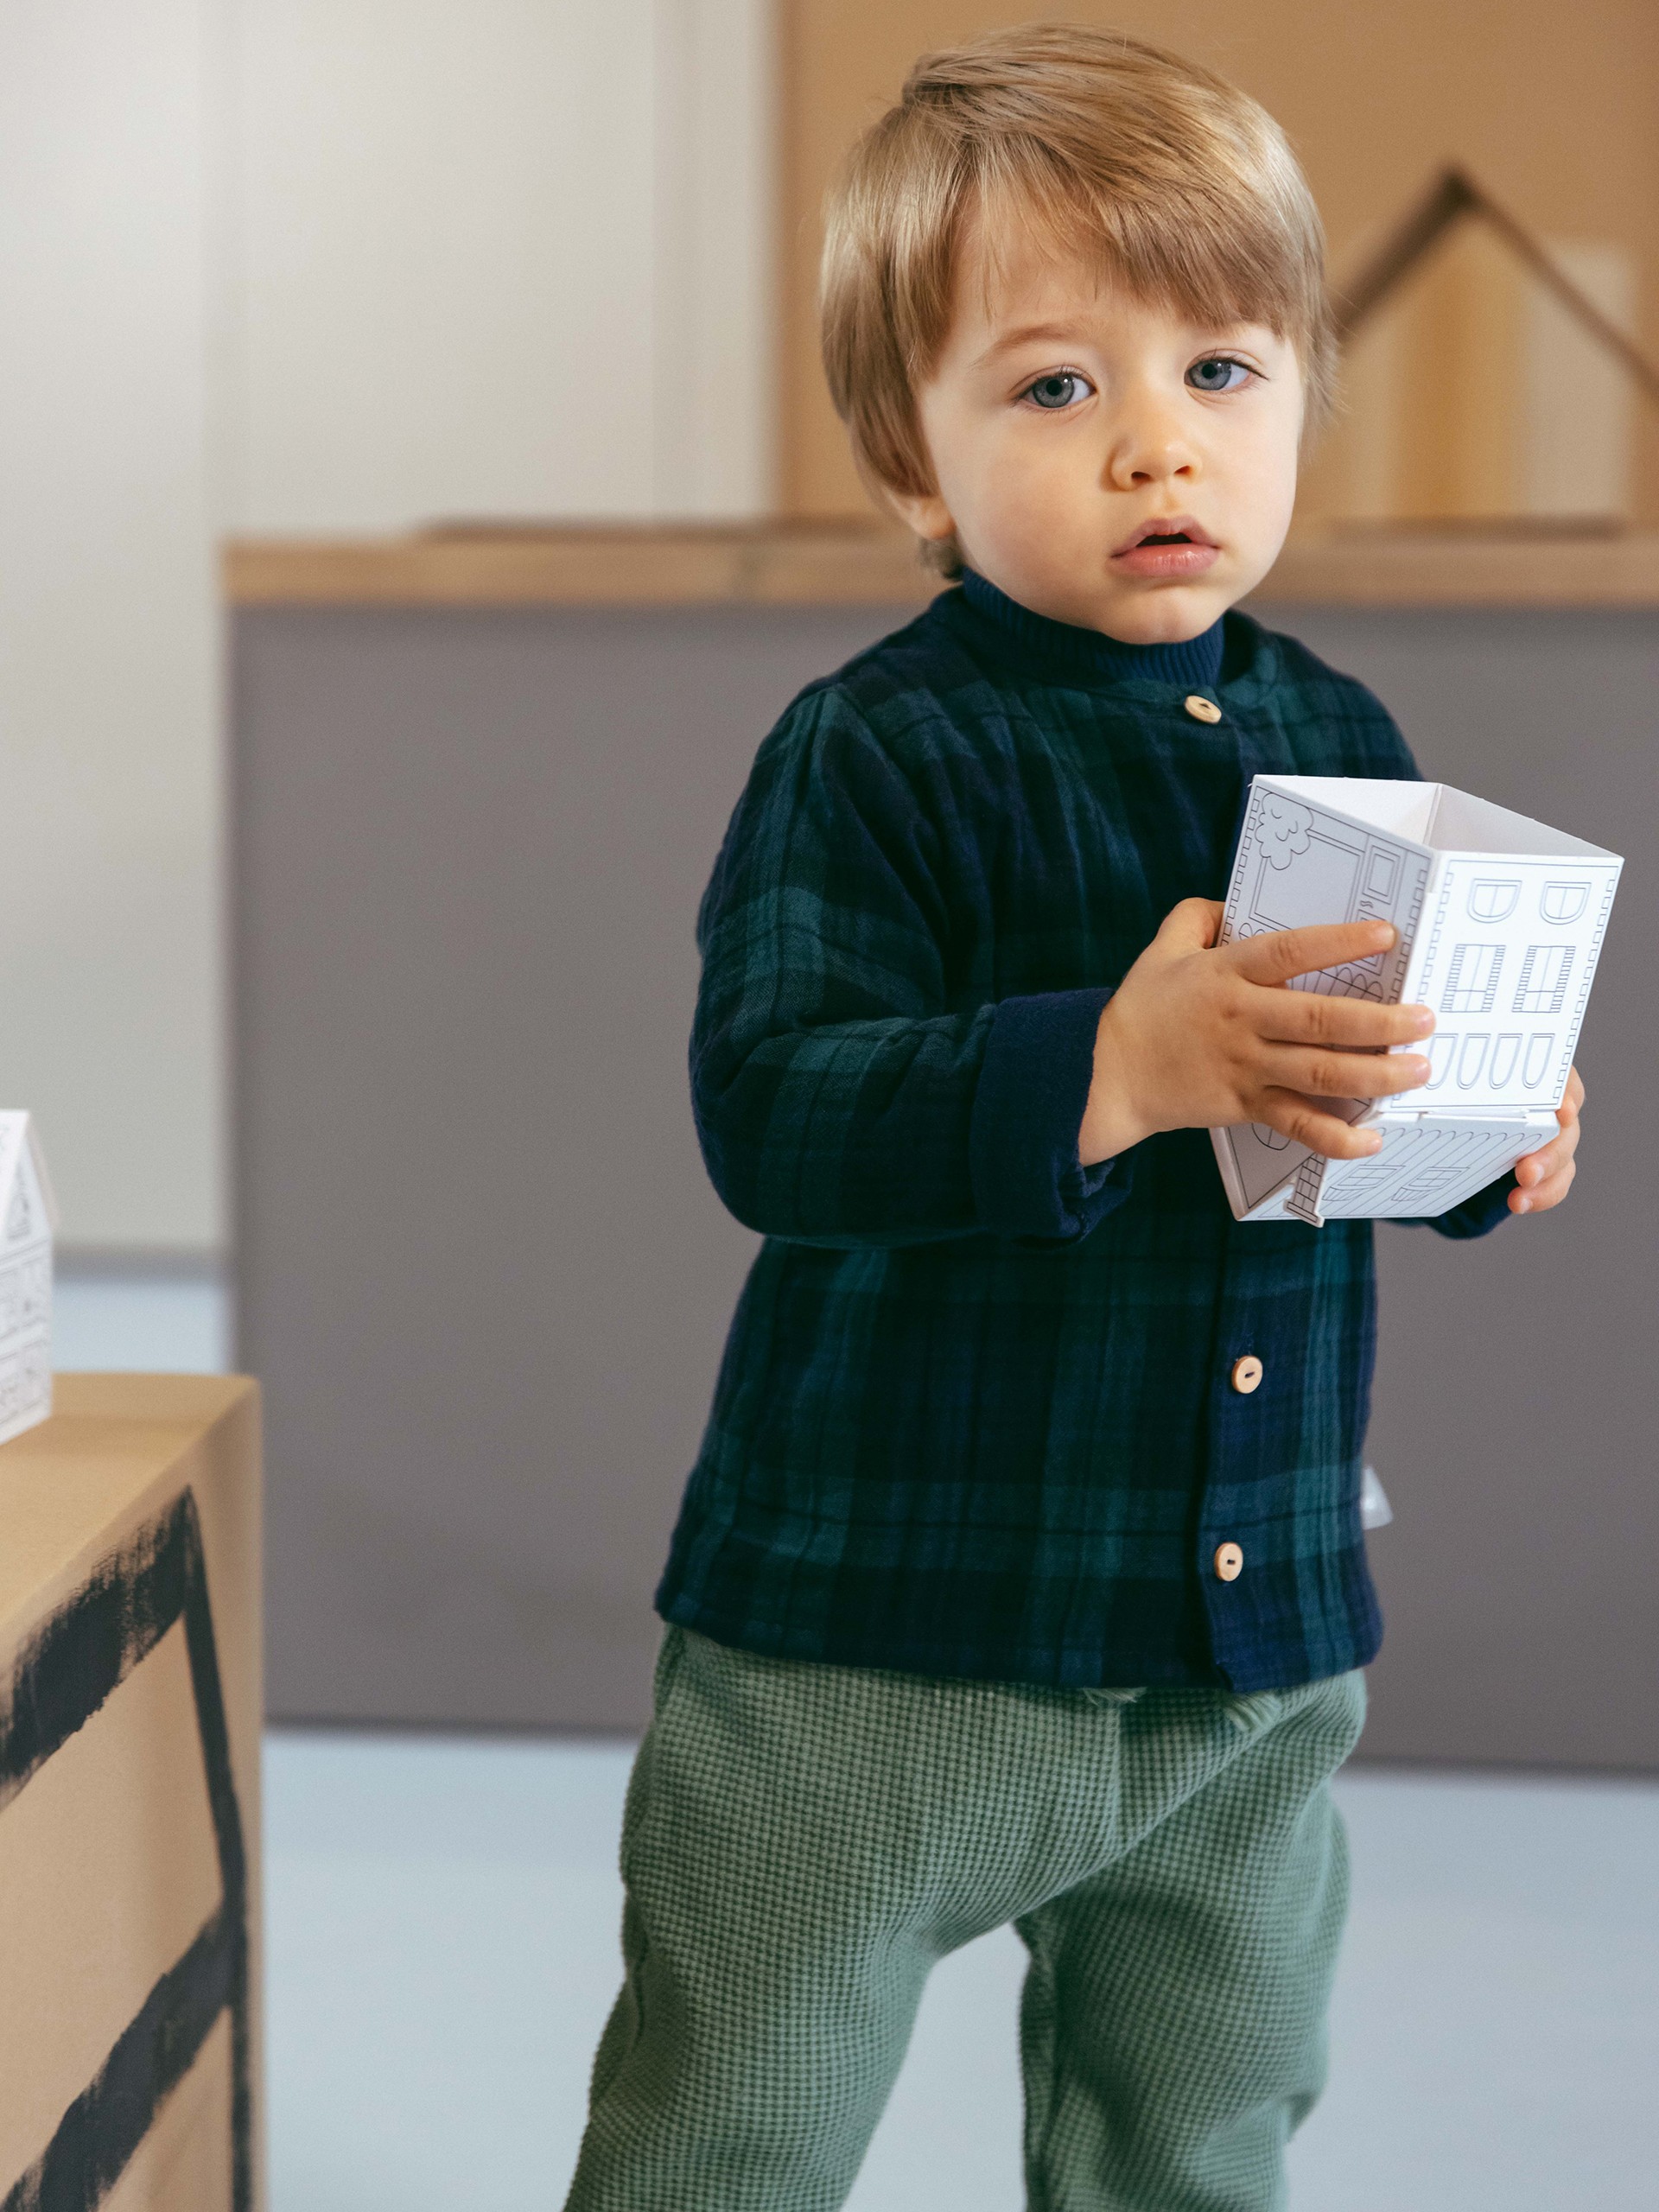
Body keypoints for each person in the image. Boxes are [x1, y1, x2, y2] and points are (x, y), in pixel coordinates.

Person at [563, 25, 1585, 2212]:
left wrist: (1481, 1135)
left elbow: (1342, 1103)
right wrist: (1115, 1069)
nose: (1156, 442)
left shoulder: (1341, 728)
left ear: (1300, 394)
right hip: (880, 1632)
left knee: (1204, 2122)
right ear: (911, 461)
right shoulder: (877, 749)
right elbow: (771, 1111)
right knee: (737, 2119)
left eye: (1221, 370)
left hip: (1246, 1632)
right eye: (1054, 386)